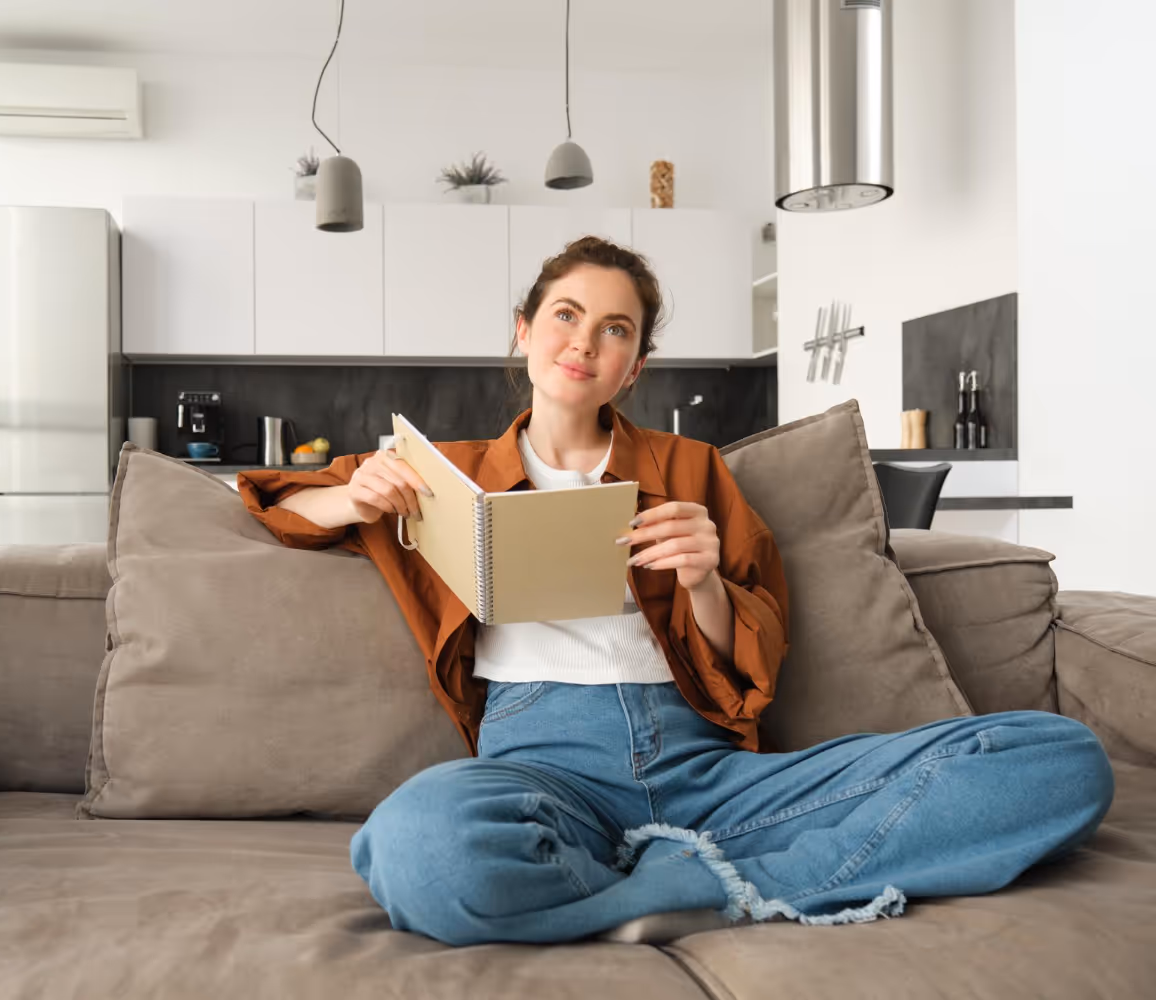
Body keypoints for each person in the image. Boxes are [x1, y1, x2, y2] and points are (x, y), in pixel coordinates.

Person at [235, 236, 1115, 947]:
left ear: (636, 364)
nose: (585, 340)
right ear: (523, 330)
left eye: (615, 329)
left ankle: (689, 888)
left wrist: (702, 583)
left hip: (709, 770)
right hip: (538, 768)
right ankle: (705, 884)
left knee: (1057, 762)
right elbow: (275, 500)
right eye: (566, 315)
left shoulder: (692, 469)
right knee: (420, 850)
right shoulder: (446, 472)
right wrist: (352, 495)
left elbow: (752, 653)